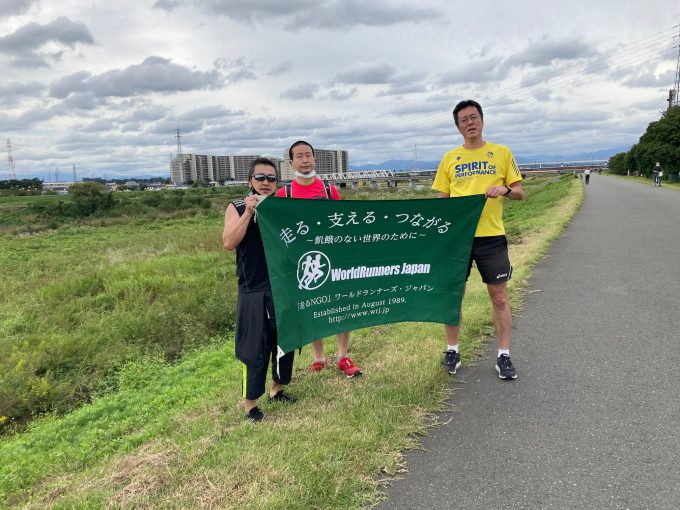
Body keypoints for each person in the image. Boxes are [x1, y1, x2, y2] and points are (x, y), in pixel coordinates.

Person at [432, 99, 525, 380]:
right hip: (458, 241)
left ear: (482, 120)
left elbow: (520, 192)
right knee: (453, 297)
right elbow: (442, 202)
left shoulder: (501, 152)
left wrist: (505, 190)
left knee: (499, 298)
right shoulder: (450, 159)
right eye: (464, 120)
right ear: (458, 126)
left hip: (492, 237)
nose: (470, 123)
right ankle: (452, 349)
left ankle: (504, 355)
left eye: (474, 117)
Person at [276, 140, 362, 378]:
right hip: (304, 262)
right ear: (291, 162)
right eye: (299, 156)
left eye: (308, 155)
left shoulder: (329, 190)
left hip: (333, 258)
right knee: (314, 308)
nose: (305, 160)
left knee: (341, 306)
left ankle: (343, 356)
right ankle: (319, 358)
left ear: (314, 159)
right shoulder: (285, 194)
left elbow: (343, 224)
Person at [223, 157, 297, 422]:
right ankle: (250, 404)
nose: (266, 183)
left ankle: (277, 389)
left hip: (283, 285)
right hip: (253, 289)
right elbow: (229, 242)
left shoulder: (282, 208)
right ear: (250, 181)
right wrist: (249, 214)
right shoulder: (238, 206)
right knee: (254, 347)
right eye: (260, 178)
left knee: (285, 340)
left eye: (271, 178)